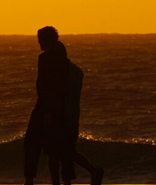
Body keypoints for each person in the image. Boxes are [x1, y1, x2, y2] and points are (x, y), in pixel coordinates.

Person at [49, 44, 105, 185]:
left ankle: (87, 173)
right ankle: (91, 172)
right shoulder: (77, 71)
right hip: (73, 117)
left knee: (62, 153)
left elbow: (60, 96)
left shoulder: (63, 73)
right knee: (68, 152)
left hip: (63, 118)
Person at [24, 26, 70, 185]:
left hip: (46, 107)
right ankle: (60, 182)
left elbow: (46, 86)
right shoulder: (63, 59)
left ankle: (29, 180)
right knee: (54, 149)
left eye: (40, 40)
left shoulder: (45, 58)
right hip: (58, 107)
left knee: (31, 143)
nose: (38, 43)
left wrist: (47, 112)